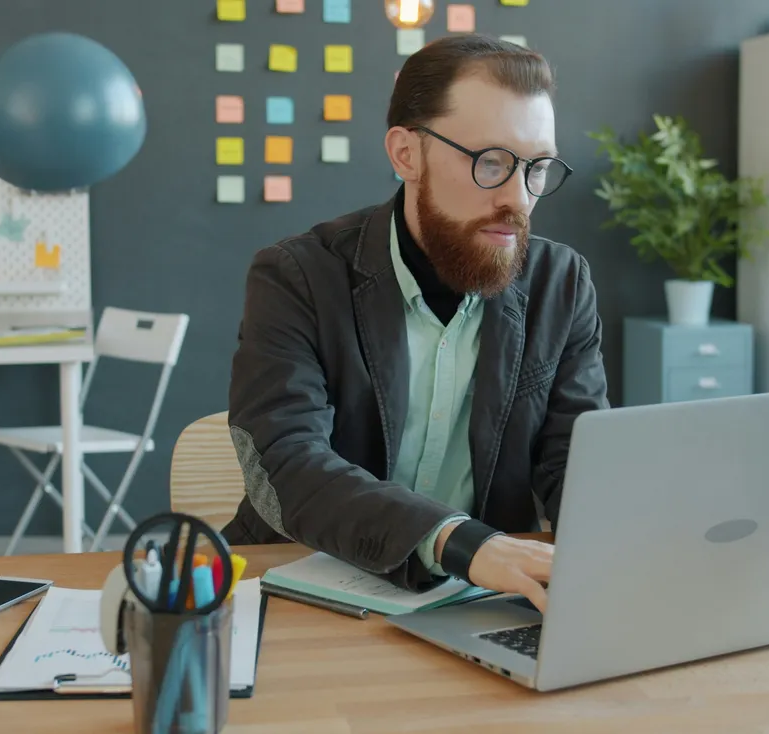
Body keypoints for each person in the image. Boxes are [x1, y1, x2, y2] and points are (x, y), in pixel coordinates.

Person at [221, 34, 609, 612]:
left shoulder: (562, 283)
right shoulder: (297, 276)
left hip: (477, 601)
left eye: (537, 167)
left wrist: (632, 533)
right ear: (407, 154)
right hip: (302, 588)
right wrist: (457, 542)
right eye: (492, 162)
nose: (519, 198)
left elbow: (576, 461)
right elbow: (286, 465)